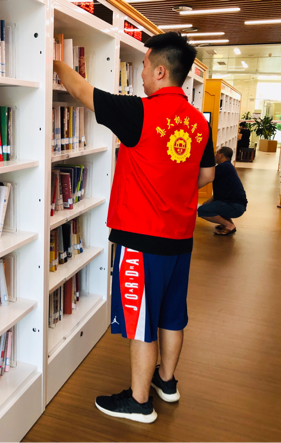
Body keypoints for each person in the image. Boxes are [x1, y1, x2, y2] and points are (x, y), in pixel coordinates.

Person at [53, 32, 215, 424]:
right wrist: (173, 186)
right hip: (181, 238)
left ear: (160, 71)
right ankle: (167, 383)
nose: (140, 73)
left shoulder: (139, 112)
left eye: (143, 65)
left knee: (142, 320)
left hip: (142, 238)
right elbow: (207, 174)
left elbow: (81, 90)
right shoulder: (199, 122)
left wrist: (53, 61)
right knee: (172, 314)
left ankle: (140, 402)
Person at [198, 146, 247, 236]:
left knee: (202, 210)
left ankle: (229, 225)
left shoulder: (223, 167)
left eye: (216, 153)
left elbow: (206, 176)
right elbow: (223, 191)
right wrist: (209, 200)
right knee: (211, 205)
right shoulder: (227, 167)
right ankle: (227, 223)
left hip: (235, 206)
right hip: (237, 205)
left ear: (221, 156)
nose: (215, 155)